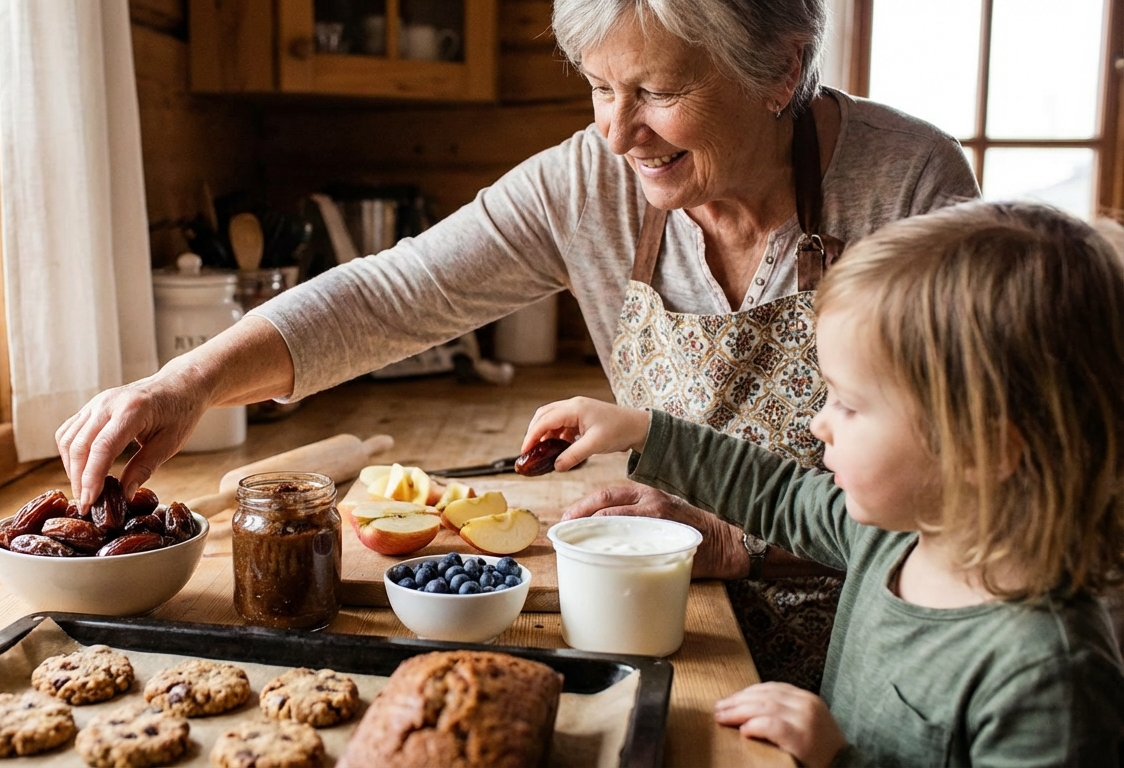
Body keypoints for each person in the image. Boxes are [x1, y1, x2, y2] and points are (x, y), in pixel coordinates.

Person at [57, 0, 979, 688]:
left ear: (782, 70)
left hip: (864, 638)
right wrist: (186, 381)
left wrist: (736, 543)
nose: (617, 133)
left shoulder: (910, 184)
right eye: (598, 87)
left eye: (657, 91)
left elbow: (958, 483)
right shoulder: (592, 179)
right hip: (665, 612)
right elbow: (393, 292)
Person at [521, 200, 1124, 767]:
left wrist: (838, 758)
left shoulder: (1049, 674)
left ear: (985, 448)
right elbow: (778, 493)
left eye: (851, 405)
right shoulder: (897, 537)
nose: (818, 423)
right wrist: (641, 430)